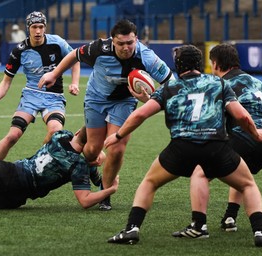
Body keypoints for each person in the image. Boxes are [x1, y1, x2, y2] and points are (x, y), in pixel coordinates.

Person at [105, 45, 262, 247]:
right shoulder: (218, 83)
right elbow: (241, 115)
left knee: (150, 183)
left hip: (181, 148)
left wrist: (118, 135)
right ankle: (261, 233)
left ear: (178, 66)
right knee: (248, 184)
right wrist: (256, 133)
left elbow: (140, 115)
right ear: (200, 64)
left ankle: (131, 229)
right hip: (216, 148)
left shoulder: (170, 87)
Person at [37, 19, 173, 210]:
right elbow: (74, 55)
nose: (126, 48)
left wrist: (150, 99)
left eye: (130, 43)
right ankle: (89, 140)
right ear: (112, 41)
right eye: (121, 43)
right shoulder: (99, 48)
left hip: (124, 102)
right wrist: (54, 73)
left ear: (137, 40)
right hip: (96, 98)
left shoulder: (147, 57)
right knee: (92, 151)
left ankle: (105, 191)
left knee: (116, 148)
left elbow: (170, 84)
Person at [178, 43, 262, 236]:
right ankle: (230, 217)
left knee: (199, 171)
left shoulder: (221, 85)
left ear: (216, 63)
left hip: (251, 135)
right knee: (241, 172)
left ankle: (198, 226)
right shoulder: (259, 82)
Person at [0, 127, 118, 215]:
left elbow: (76, 141)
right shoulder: (79, 166)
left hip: (13, 174)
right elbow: (85, 200)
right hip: (15, 199)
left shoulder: (61, 135)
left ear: (76, 133)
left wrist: (91, 157)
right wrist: (109, 189)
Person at [0, 11, 80, 160]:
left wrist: (75, 83)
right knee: (13, 136)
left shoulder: (57, 42)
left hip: (54, 97)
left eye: (41, 27)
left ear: (45, 27)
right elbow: (6, 80)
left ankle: (37, 164)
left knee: (55, 132)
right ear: (28, 28)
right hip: (31, 95)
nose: (38, 31)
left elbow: (75, 58)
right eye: (34, 27)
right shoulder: (19, 51)